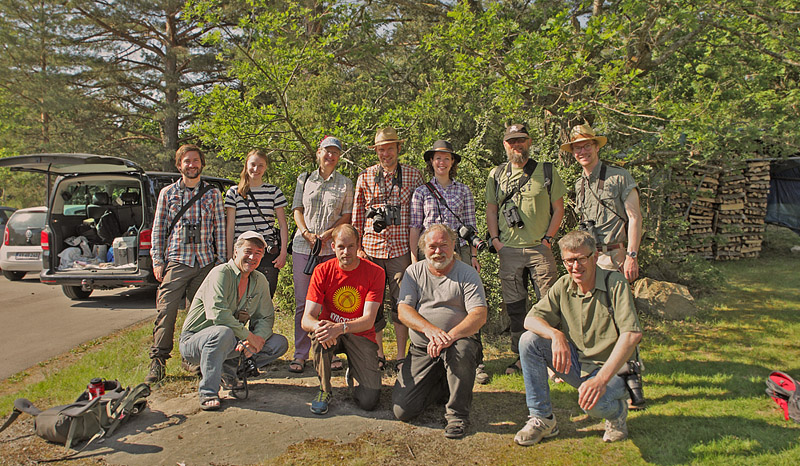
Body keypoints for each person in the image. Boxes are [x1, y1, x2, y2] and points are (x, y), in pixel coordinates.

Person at [514, 230, 642, 445]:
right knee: (529, 341)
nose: (575, 266)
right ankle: (542, 419)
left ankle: (617, 414)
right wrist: (556, 335)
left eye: (581, 259)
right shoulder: (564, 285)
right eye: (569, 260)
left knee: (593, 405)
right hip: (579, 365)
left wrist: (600, 380)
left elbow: (632, 335)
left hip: (615, 369)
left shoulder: (615, 283)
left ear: (594, 256)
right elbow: (530, 320)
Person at [392, 224, 488, 439]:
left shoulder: (467, 273)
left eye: (443, 245)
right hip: (422, 348)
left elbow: (479, 315)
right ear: (423, 249)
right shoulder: (413, 272)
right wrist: (431, 331)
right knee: (403, 410)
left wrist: (449, 336)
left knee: (461, 351)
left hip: (458, 342)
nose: (438, 251)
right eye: (432, 246)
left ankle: (457, 416)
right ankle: (443, 383)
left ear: (453, 245)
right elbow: (403, 311)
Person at [485, 123, 566, 374]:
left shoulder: (547, 171)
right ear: (505, 145)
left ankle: (553, 357)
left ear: (529, 142)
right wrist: (496, 240)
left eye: (521, 140)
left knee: (549, 302)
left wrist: (548, 239)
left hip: (539, 249)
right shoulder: (496, 174)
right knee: (516, 306)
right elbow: (491, 209)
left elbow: (559, 209)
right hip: (508, 250)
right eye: (511, 141)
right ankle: (522, 356)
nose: (516, 145)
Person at [180, 231, 289, 411]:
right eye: (248, 251)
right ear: (236, 251)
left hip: (233, 340)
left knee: (278, 343)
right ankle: (208, 391)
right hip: (195, 341)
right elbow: (218, 314)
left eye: (258, 253)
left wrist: (256, 339)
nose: (252, 257)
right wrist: (248, 336)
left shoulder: (259, 280)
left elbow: (266, 317)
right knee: (223, 332)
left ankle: (230, 371)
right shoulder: (220, 273)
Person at [409, 139, 489, 384]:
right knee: (428, 303)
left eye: (446, 158)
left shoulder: (463, 190)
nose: (441, 162)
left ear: (452, 162)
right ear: (431, 162)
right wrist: (414, 258)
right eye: (437, 158)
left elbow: (471, 225)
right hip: (430, 253)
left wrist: (473, 257)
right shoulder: (421, 192)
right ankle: (428, 352)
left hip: (459, 251)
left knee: (468, 305)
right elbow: (415, 226)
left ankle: (475, 359)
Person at [147, 144, 227, 384]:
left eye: (195, 161)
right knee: (166, 311)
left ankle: (193, 359)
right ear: (179, 165)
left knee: (201, 315)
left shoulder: (213, 195)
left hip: (205, 262)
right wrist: (157, 260)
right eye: (187, 161)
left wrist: (221, 263)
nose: (191, 165)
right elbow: (159, 229)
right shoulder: (168, 193)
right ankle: (158, 361)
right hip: (177, 261)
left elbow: (220, 230)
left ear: (202, 163)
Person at [352, 127, 423, 369]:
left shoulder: (414, 176)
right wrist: (358, 247)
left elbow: (420, 214)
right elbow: (357, 216)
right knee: (373, 304)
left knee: (402, 303)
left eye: (389, 149)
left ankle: (402, 356)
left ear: (398, 149)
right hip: (371, 248)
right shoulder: (365, 177)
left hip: (401, 249)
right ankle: (379, 353)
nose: (385, 154)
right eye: (381, 150)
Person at [302, 225, 385, 415]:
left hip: (360, 334)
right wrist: (320, 326)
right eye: (341, 247)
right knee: (318, 334)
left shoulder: (375, 272)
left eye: (350, 246)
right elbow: (306, 319)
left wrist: (339, 327)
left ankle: (356, 371)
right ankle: (324, 389)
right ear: (333, 247)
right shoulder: (322, 270)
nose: (346, 252)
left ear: (358, 246)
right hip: (330, 334)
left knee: (369, 401)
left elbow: (368, 320)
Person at [289, 136, 354, 374]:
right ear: (319, 153)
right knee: (303, 302)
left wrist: (328, 234)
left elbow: (346, 215)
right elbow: (297, 209)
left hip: (330, 249)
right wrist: (306, 233)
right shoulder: (304, 179)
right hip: (303, 247)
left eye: (335, 153)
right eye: (327, 151)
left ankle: (330, 352)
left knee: (331, 302)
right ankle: (301, 353)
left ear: (339, 157)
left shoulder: (346, 183)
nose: (331, 156)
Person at [560, 124, 643, 282]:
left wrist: (632, 256)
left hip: (614, 257)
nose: (583, 152)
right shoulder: (580, 184)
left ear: (596, 147)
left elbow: (635, 218)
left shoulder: (619, 177)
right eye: (577, 148)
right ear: (573, 153)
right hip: (588, 259)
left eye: (587, 146)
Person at [225, 149, 289, 296]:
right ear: (246, 165)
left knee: (264, 296)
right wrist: (229, 255)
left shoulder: (273, 192)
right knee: (238, 297)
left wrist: (283, 253)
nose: (256, 169)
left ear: (265, 167)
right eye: (253, 164)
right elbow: (230, 227)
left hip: (266, 251)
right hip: (241, 251)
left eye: (261, 165)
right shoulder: (234, 193)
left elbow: (283, 224)